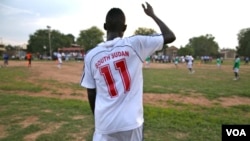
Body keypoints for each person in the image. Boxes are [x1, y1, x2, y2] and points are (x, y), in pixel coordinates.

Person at [80, 2, 175, 141]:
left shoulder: (91, 55)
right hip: (131, 122)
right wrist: (152, 15)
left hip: (105, 124)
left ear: (105, 27)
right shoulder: (135, 44)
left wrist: (99, 118)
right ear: (124, 28)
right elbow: (170, 36)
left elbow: (91, 92)